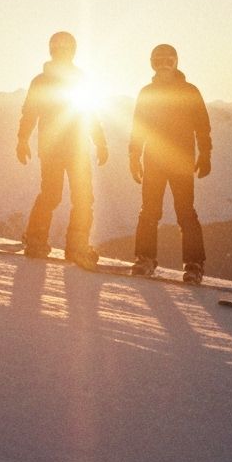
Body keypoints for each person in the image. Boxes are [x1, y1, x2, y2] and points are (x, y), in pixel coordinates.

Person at [16, 31, 108, 269]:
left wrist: (100, 141)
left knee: (79, 197)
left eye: (65, 48)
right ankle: (45, 241)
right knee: (57, 195)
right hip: (57, 147)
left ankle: (61, 243)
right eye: (59, 48)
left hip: (73, 148)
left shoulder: (76, 79)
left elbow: (89, 112)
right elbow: (30, 112)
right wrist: (22, 139)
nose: (62, 52)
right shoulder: (41, 81)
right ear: (52, 50)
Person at [128, 43, 212, 284]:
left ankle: (194, 264)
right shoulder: (148, 92)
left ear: (176, 62)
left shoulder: (189, 91)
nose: (164, 64)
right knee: (150, 211)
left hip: (179, 160)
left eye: (169, 60)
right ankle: (145, 258)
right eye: (160, 60)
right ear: (153, 63)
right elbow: (138, 127)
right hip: (156, 159)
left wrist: (205, 154)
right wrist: (133, 156)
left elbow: (202, 126)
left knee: (184, 212)